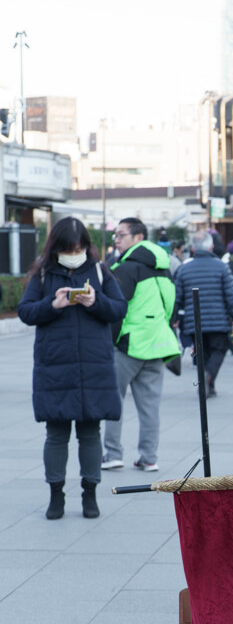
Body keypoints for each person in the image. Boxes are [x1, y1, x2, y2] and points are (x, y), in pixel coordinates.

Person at [17, 217, 127, 519]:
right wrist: (52, 306)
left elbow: (119, 309)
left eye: (79, 248)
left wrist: (95, 301)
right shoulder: (43, 273)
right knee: (56, 434)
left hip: (94, 366)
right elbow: (26, 312)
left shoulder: (100, 270)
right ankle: (56, 495)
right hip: (55, 365)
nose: (74, 253)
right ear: (57, 247)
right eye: (69, 248)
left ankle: (90, 494)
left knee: (91, 433)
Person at [101, 218, 180, 473]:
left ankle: (113, 454)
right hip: (157, 344)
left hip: (129, 345)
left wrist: (110, 342)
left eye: (121, 235)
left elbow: (116, 309)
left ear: (138, 237)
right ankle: (149, 457)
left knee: (114, 400)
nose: (117, 240)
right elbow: (170, 307)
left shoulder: (125, 268)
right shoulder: (164, 267)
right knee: (150, 407)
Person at [172, 231, 233, 396]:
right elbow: (230, 295)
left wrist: (174, 318)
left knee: (201, 353)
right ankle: (209, 378)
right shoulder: (222, 267)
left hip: (194, 320)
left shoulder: (184, 269)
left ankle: (207, 383)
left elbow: (177, 297)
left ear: (193, 248)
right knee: (219, 350)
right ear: (211, 247)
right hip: (219, 320)